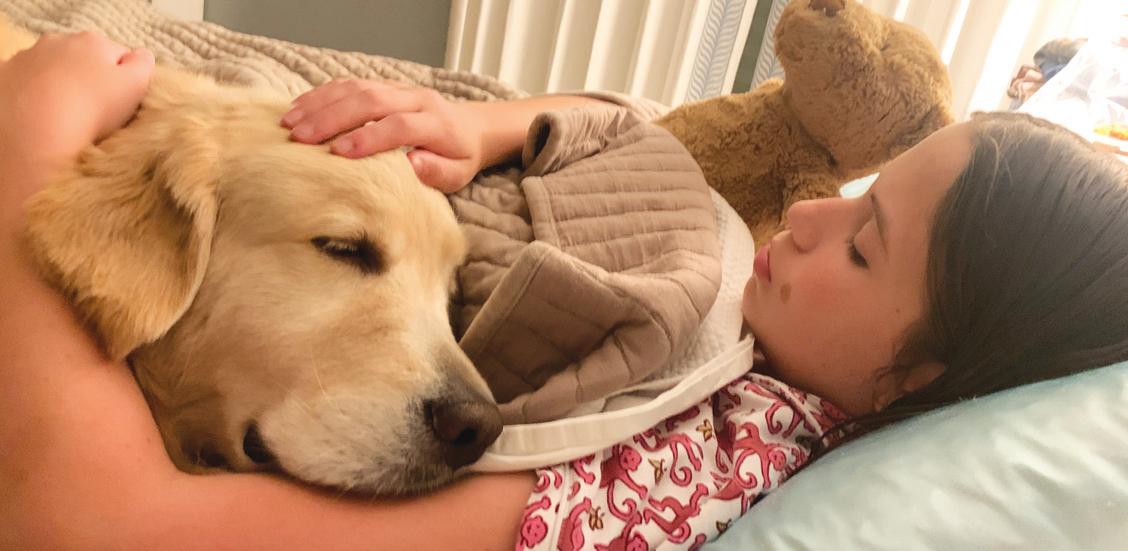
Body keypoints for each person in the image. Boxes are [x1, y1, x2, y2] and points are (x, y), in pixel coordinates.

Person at [3, 32, 1128, 550]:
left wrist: (27, 151)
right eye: (855, 194)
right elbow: (643, 135)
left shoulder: (698, 467)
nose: (807, 216)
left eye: (866, 247)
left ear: (917, 376)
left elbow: (96, 523)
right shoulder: (762, 320)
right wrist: (486, 123)